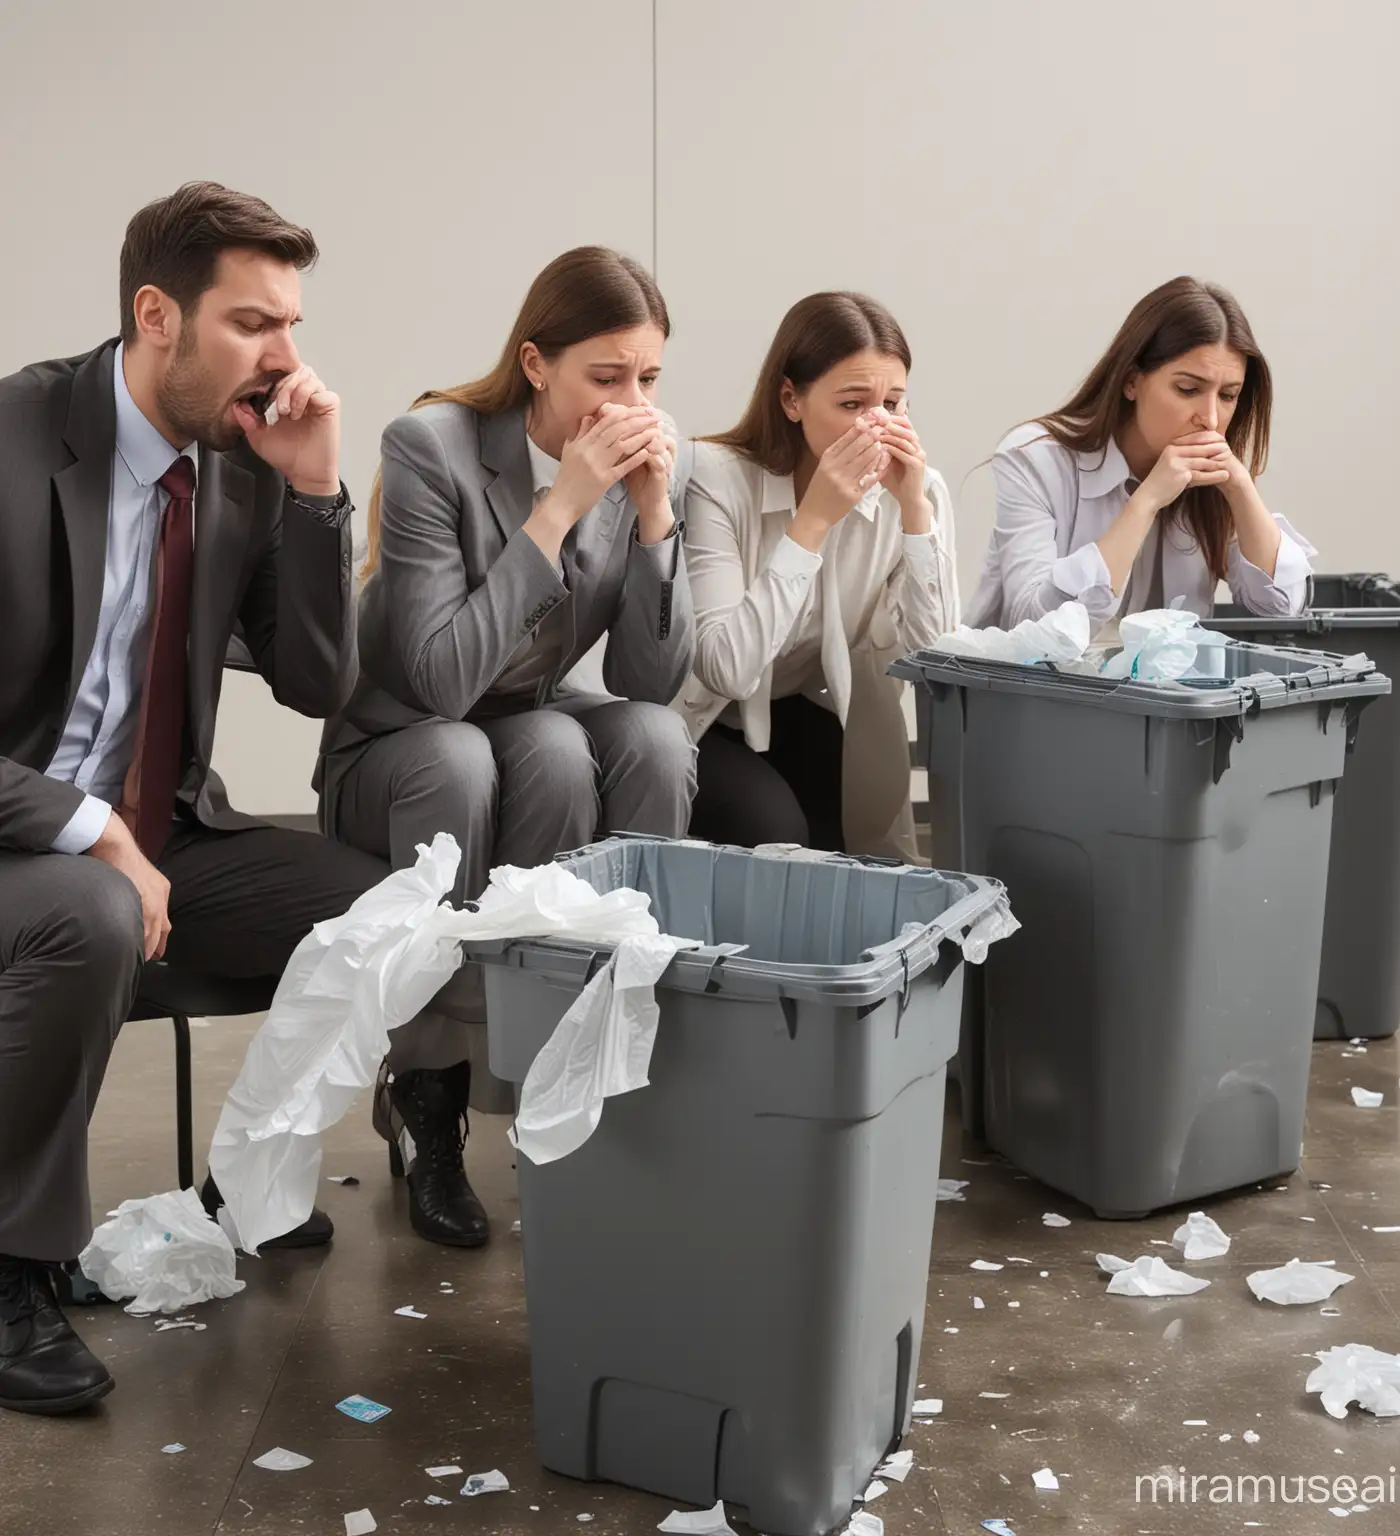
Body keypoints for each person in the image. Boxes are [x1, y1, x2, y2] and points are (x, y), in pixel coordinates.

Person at [0, 182, 389, 1416]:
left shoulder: (240, 459)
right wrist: (92, 828)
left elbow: (319, 680)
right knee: (91, 914)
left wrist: (316, 493)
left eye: (291, 323)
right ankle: (11, 1272)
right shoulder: (13, 443)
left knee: (367, 918)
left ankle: (243, 1191)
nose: (285, 359)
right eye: (252, 324)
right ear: (155, 315)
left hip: (161, 832)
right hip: (27, 839)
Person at [318, 246, 697, 1249]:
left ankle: (584, 1066)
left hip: (524, 720)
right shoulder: (431, 446)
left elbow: (657, 684)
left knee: (649, 742)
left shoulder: (646, 467)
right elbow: (441, 681)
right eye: (605, 378)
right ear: (536, 363)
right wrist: (559, 505)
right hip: (399, 742)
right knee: (468, 756)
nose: (631, 402)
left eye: (648, 379)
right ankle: (427, 1095)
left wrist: (655, 519)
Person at [677, 292, 959, 861]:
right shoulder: (715, 477)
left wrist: (914, 516)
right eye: (853, 403)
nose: (878, 425)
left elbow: (937, 660)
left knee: (848, 850)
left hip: (798, 705)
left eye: (894, 403)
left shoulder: (919, 493)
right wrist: (812, 522)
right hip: (696, 719)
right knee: (774, 830)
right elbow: (726, 667)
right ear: (792, 399)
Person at [966, 276, 1314, 630]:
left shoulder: (1214, 481)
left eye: (1228, 396)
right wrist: (1146, 501)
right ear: (1131, 381)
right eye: (1188, 389)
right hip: (1025, 684)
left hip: (1157, 685)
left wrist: (1240, 488)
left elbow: (1281, 608)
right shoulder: (1035, 458)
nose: (1210, 418)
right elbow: (1033, 620)